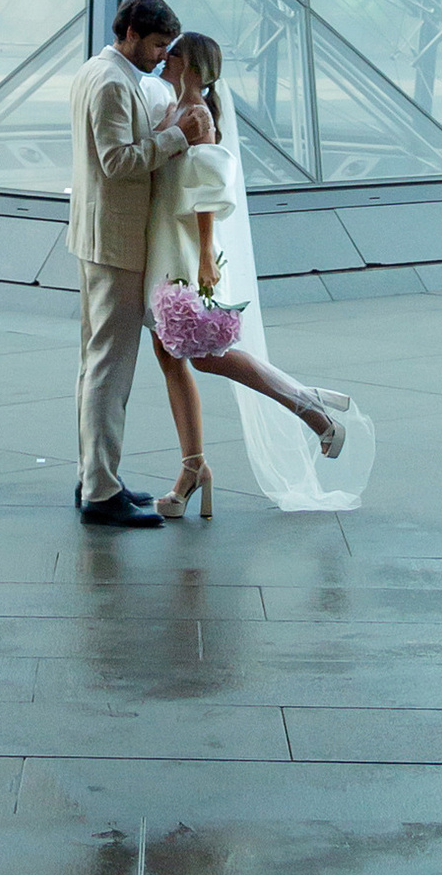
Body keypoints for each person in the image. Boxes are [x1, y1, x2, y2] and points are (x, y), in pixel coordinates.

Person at [144, 30, 375, 519]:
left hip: (186, 248)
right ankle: (194, 467)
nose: (164, 58)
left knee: (204, 356)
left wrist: (204, 257)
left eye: (173, 53)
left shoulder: (197, 115)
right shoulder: (175, 108)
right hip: (166, 241)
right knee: (171, 355)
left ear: (192, 66)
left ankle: (307, 405)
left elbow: (209, 193)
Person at [67, 0, 212, 527]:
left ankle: (95, 477)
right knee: (110, 369)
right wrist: (175, 137)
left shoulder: (96, 70)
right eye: (155, 45)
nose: (160, 56)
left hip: (96, 237)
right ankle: (101, 493)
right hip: (116, 242)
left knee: (94, 364)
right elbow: (116, 162)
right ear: (129, 33)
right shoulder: (112, 82)